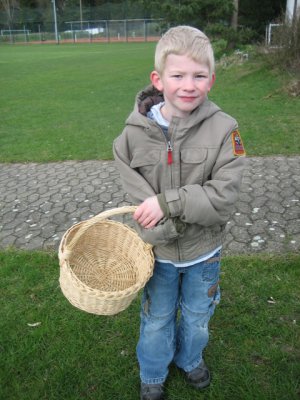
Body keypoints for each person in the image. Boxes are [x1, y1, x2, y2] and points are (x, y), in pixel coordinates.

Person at [113, 25, 246, 400]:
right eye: (178, 75)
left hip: (205, 253)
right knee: (156, 317)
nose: (189, 85)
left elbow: (223, 197)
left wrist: (167, 203)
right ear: (158, 79)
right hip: (160, 253)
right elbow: (136, 190)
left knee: (197, 315)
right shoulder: (133, 133)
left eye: (199, 76)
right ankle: (153, 372)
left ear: (211, 80)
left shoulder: (225, 130)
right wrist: (158, 227)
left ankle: (190, 359)